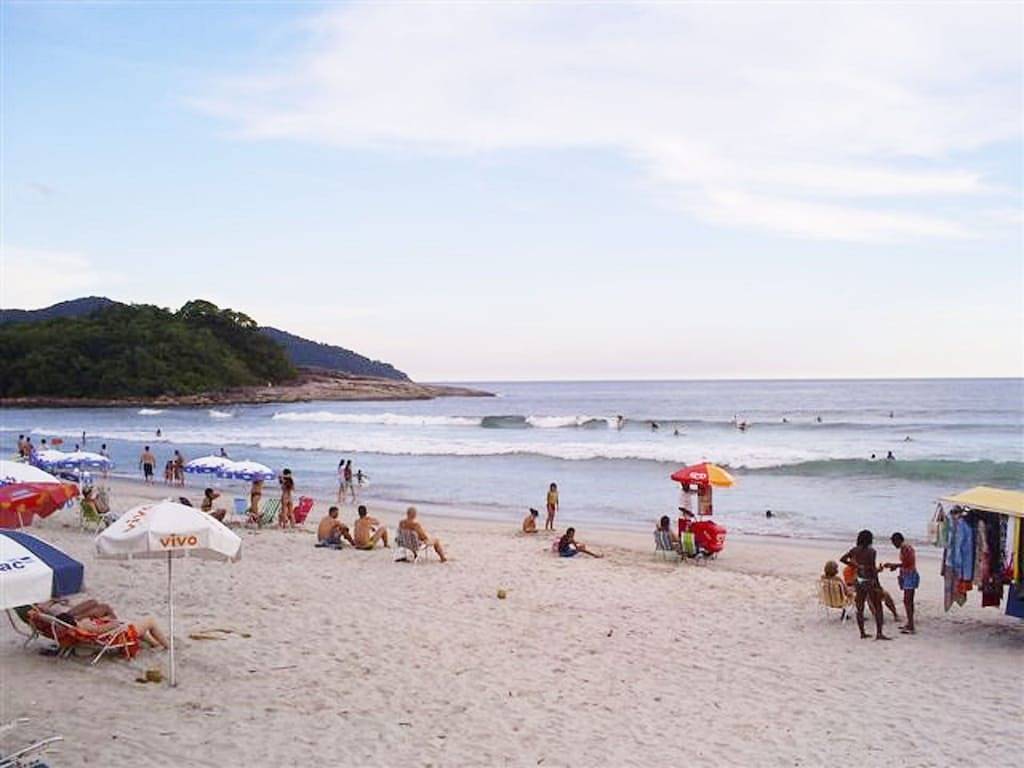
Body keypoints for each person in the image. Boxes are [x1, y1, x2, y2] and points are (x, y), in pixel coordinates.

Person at [840, 530, 891, 640]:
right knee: (878, 607)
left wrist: (856, 566)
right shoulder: (871, 551)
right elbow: (872, 569)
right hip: (869, 581)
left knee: (860, 607)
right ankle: (879, 633)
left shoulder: (855, 550)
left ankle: (862, 633)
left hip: (858, 580)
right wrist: (878, 583)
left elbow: (842, 559)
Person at [884, 532, 918, 634]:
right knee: (908, 601)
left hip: (909, 575)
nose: (894, 545)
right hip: (908, 575)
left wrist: (894, 565)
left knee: (907, 601)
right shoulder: (906, 547)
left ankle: (911, 625)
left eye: (894, 542)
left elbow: (907, 563)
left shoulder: (905, 548)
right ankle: (910, 623)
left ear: (898, 540)